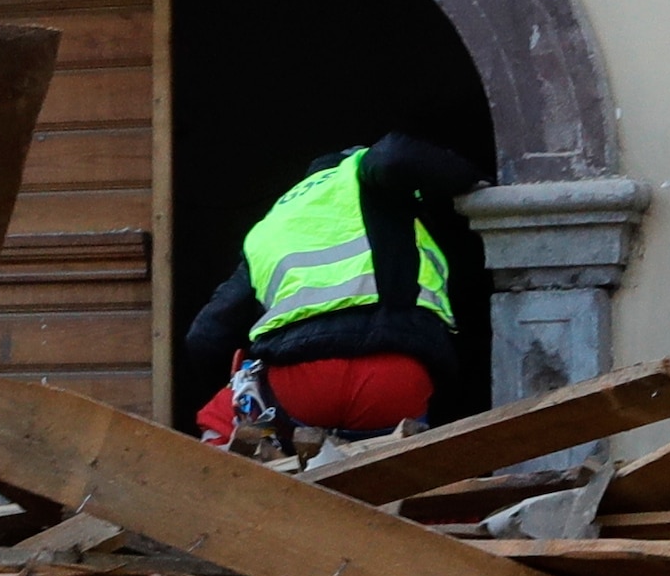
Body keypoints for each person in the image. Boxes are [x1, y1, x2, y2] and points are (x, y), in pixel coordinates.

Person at [183, 132, 497, 453]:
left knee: (223, 413)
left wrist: (241, 392)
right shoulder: (359, 171)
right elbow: (393, 157)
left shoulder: (268, 226)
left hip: (297, 393)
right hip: (393, 382)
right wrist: (478, 181)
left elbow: (205, 337)